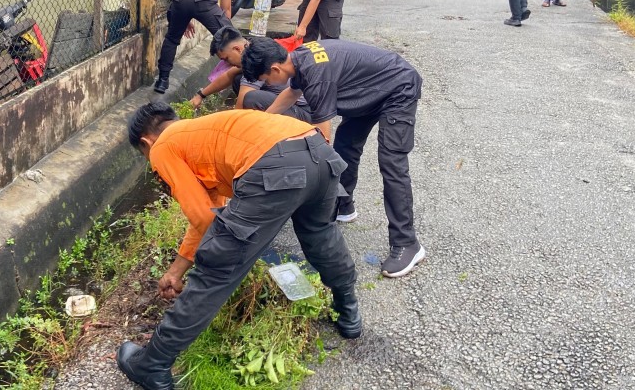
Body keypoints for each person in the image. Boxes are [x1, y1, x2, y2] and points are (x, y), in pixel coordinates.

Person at [116, 104, 360, 390]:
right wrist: (176, 270)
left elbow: (203, 219)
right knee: (321, 234)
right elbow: (210, 214)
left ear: (146, 142)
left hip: (277, 163)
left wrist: (228, 254)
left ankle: (152, 364)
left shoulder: (162, 147)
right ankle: (348, 312)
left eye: (146, 157)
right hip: (318, 152)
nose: (153, 164)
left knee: (217, 268)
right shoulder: (201, 135)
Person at [241, 37, 425, 279]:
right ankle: (344, 205)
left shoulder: (317, 75)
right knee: (346, 146)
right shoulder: (298, 58)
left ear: (275, 69)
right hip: (369, 91)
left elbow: (321, 140)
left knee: (392, 163)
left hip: (398, 89)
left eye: (264, 80)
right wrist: (262, 122)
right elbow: (292, 92)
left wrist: (315, 188)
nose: (267, 84)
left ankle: (407, 243)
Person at [153, 0, 234, 94]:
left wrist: (186, 16)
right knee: (230, 37)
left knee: (171, 38)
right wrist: (227, 27)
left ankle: (162, 82)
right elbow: (225, 7)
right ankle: (240, 70)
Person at [190, 26, 311, 122]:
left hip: (303, 113)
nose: (228, 64)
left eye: (227, 59)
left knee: (251, 99)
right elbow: (228, 75)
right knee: (237, 79)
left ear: (237, 49)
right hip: (292, 104)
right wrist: (201, 95)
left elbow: (240, 106)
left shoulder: (256, 61)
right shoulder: (251, 46)